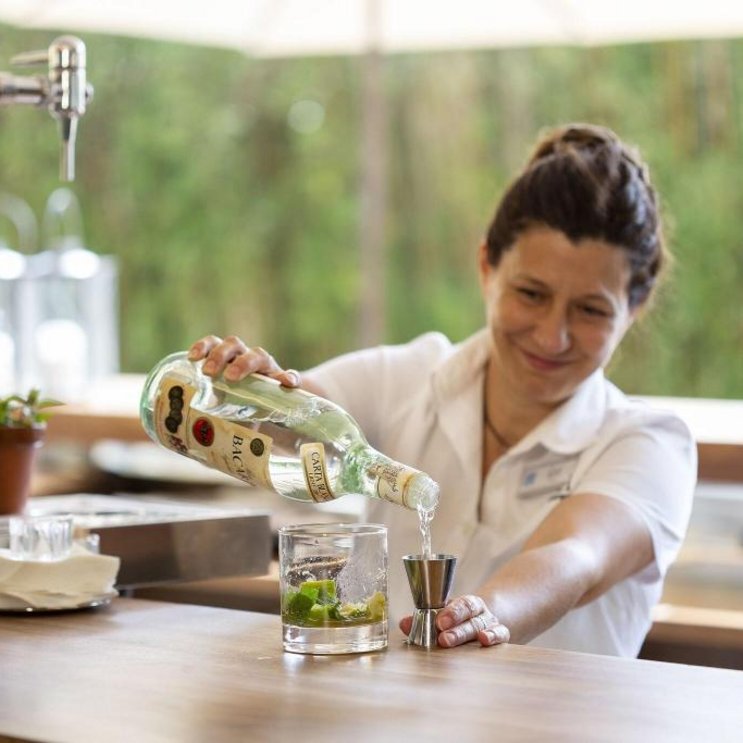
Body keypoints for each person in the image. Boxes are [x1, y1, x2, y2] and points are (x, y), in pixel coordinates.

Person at [188, 123, 697, 657]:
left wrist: (483, 615)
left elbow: (576, 555)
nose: (553, 335)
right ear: (486, 267)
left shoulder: (649, 444)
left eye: (590, 310)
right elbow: (294, 423)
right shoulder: (405, 378)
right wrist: (248, 389)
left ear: (634, 308)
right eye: (531, 294)